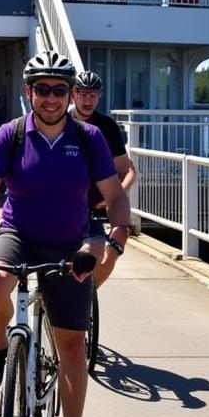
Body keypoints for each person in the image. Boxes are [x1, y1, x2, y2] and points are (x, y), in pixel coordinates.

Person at [0, 51, 132, 417]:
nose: (51, 98)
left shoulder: (89, 138)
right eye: (42, 89)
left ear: (70, 95)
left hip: (71, 240)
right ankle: (1, 348)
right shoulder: (9, 134)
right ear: (28, 92)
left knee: (72, 349)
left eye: (60, 90)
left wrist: (115, 237)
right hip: (19, 234)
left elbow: (116, 192)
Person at [70, 70, 138, 289]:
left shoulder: (107, 126)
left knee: (117, 240)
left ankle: (90, 292)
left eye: (93, 95)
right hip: (68, 199)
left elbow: (127, 170)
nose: (88, 100)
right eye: (83, 94)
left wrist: (113, 199)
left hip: (100, 201)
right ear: (74, 95)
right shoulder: (62, 121)